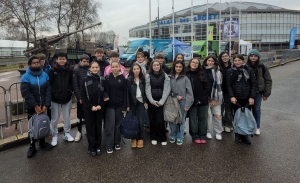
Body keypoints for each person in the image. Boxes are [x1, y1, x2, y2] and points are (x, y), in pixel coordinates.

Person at [20, 56, 52, 158]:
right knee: (32, 127)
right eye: (34, 63)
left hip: (44, 106)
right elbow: (26, 93)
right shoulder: (25, 77)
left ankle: (42, 143)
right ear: (29, 65)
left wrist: (46, 104)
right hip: (32, 107)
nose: (36, 64)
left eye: (37, 62)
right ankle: (32, 145)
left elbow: (48, 90)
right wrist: (35, 106)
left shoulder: (45, 75)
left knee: (43, 123)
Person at [227, 54, 257, 144]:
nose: (237, 62)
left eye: (239, 60)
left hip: (247, 97)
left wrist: (252, 97)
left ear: (243, 61)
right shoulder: (230, 71)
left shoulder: (249, 70)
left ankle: (245, 135)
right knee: (237, 117)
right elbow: (228, 84)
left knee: (246, 116)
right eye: (235, 60)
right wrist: (232, 96)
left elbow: (253, 84)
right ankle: (237, 134)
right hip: (236, 97)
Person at [80, 61, 108, 156]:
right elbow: (83, 95)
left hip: (99, 106)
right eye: (93, 67)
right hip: (89, 107)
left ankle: (98, 145)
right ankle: (91, 146)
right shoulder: (85, 79)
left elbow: (105, 93)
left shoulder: (103, 79)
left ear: (99, 68)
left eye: (96, 67)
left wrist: (101, 105)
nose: (95, 69)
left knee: (98, 126)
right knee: (90, 127)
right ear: (90, 69)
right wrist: (90, 106)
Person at [48, 52, 74, 146]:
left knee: (67, 117)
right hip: (55, 98)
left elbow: (72, 82)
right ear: (57, 60)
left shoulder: (70, 70)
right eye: (60, 59)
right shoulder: (52, 71)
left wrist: (70, 90)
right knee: (55, 119)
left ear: (66, 60)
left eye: (63, 59)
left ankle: (66, 133)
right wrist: (53, 92)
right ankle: (54, 135)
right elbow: (49, 84)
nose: (62, 61)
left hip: (67, 97)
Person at [246, 49, 272, 135]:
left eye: (255, 56)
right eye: (251, 56)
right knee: (247, 110)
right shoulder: (245, 66)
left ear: (258, 57)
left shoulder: (262, 67)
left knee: (256, 110)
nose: (253, 57)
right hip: (247, 92)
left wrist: (266, 94)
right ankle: (249, 125)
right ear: (249, 57)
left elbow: (268, 80)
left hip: (258, 92)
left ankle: (257, 126)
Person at [104, 61, 128, 153]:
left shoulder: (123, 79)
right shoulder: (107, 78)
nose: (114, 68)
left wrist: (124, 106)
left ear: (119, 67)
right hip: (109, 106)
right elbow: (104, 90)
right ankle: (109, 145)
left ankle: (117, 142)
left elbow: (125, 93)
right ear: (111, 68)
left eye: (116, 67)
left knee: (118, 125)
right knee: (110, 126)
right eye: (113, 67)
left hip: (119, 105)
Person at [146, 60, 170, 145]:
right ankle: (154, 137)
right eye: (154, 65)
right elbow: (147, 89)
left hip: (161, 101)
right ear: (152, 67)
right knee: (152, 120)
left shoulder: (165, 75)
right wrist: (152, 101)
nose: (156, 66)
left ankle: (162, 138)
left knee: (160, 120)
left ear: (160, 66)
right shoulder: (148, 76)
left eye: (157, 65)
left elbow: (167, 88)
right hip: (152, 100)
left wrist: (162, 101)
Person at [168, 60, 193, 145]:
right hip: (171, 102)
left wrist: (187, 105)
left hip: (182, 102)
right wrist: (175, 95)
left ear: (182, 68)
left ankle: (180, 136)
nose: (178, 68)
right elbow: (167, 90)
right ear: (174, 67)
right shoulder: (169, 77)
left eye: (180, 67)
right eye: (176, 66)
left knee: (181, 120)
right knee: (172, 120)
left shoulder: (186, 79)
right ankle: (173, 135)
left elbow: (189, 93)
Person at [186, 58, 209, 144]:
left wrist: (202, 99)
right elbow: (185, 89)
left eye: (196, 63)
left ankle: (203, 135)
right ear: (190, 63)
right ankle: (194, 135)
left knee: (203, 118)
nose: (194, 64)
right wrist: (194, 100)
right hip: (192, 101)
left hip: (203, 100)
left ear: (198, 64)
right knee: (193, 119)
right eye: (193, 62)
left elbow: (206, 87)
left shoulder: (202, 73)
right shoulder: (186, 74)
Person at [127, 63, 148, 148]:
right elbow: (127, 93)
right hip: (132, 103)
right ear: (132, 70)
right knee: (132, 122)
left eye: (137, 69)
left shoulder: (143, 80)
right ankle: (133, 138)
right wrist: (127, 105)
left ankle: (140, 138)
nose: (136, 70)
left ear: (140, 70)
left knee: (140, 121)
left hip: (141, 102)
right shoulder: (128, 80)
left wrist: (145, 101)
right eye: (134, 69)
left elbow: (145, 92)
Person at [203, 55, 223, 140]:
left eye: (212, 61)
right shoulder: (202, 71)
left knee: (217, 115)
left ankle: (218, 132)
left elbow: (220, 85)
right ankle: (207, 131)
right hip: (205, 97)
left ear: (215, 62)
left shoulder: (218, 72)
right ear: (206, 61)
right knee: (206, 116)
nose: (210, 62)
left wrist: (215, 98)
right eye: (209, 61)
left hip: (216, 97)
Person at [73, 54, 90, 142]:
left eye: (87, 61)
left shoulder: (90, 69)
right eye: (84, 61)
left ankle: (88, 129)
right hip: (81, 97)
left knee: (88, 114)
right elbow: (75, 85)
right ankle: (79, 131)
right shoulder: (76, 70)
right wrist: (79, 97)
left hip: (89, 97)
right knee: (79, 115)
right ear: (80, 61)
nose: (86, 63)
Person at [218, 52, 233, 133]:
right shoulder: (218, 68)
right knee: (220, 109)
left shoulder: (233, 67)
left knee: (228, 109)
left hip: (229, 92)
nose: (224, 58)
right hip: (220, 91)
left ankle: (228, 124)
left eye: (226, 56)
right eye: (223, 56)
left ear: (229, 57)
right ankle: (221, 124)